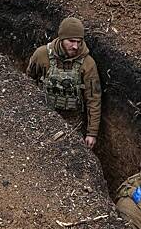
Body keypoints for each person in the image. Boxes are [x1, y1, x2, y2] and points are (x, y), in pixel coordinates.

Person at [26, 17, 101, 149]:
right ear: (61, 39)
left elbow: (93, 99)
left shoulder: (88, 63)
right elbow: (27, 83)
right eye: (71, 41)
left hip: (72, 122)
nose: (75, 46)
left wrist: (92, 133)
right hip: (44, 114)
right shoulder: (41, 54)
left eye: (79, 41)